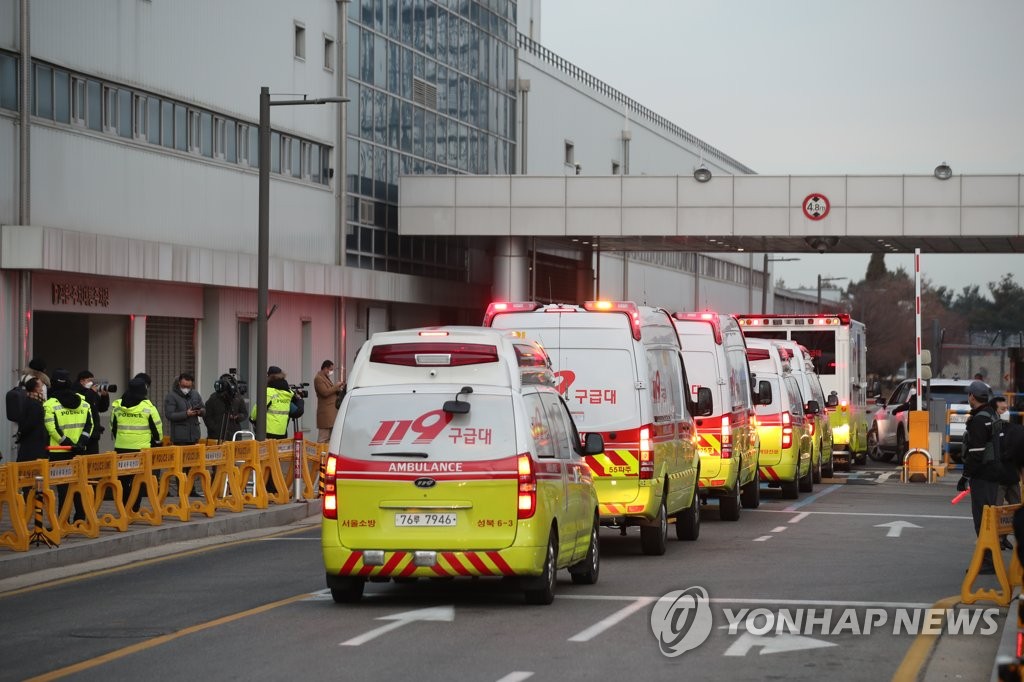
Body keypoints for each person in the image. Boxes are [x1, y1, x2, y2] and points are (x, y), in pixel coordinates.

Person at [957, 380, 1015, 573]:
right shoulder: (991, 413)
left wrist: (965, 476)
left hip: (982, 475)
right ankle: (989, 560)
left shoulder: (979, 420)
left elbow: (976, 453)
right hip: (994, 473)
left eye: (969, 395)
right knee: (989, 519)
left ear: (972, 397)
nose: (969, 398)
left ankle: (987, 562)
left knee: (982, 520)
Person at [42, 369, 93, 522]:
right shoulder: (83, 401)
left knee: (62, 488)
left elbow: (52, 428)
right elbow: (89, 425)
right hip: (79, 451)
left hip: (59, 451)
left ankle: (63, 521)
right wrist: (80, 443)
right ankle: (80, 519)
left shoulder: (50, 404)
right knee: (79, 484)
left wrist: (66, 443)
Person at [111, 377, 163, 511]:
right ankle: (134, 508)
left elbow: (113, 426)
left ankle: (123, 507)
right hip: (141, 450)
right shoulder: (148, 408)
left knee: (122, 480)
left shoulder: (118, 406)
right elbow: (157, 428)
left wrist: (121, 438)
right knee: (138, 480)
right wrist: (157, 442)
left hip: (121, 448)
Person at [164, 372, 205, 496]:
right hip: (180, 437)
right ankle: (182, 490)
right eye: (184, 386)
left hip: (193, 435)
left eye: (189, 386)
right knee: (180, 466)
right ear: (179, 383)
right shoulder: (172, 396)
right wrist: (186, 414)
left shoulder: (195, 394)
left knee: (192, 465)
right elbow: (170, 415)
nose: (186, 389)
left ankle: (191, 490)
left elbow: (204, 409)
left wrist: (200, 411)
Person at [250, 366, 302, 440]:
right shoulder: (288, 394)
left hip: (266, 434)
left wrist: (252, 419)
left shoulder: (268, 392)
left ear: (268, 377)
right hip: (282, 434)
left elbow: (255, 413)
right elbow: (298, 412)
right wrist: (300, 400)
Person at [204, 373, 249, 442]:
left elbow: (244, 413)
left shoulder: (238, 398)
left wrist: (237, 417)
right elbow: (207, 416)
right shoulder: (213, 399)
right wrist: (215, 428)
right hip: (217, 436)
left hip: (234, 435)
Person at [76, 370, 111, 454]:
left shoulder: (93, 393)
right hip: (82, 433)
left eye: (93, 381)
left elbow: (102, 408)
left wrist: (104, 396)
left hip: (94, 433)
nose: (92, 383)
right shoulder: (76, 393)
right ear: (82, 381)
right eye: (89, 380)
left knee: (93, 459)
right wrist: (91, 391)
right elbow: (85, 403)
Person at [15, 377, 48, 462]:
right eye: (41, 385)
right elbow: (31, 423)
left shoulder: (31, 400)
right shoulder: (34, 403)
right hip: (33, 443)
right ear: (35, 388)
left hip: (33, 441)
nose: (42, 388)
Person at [314, 360, 345, 443]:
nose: (331, 372)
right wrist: (336, 386)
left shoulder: (325, 378)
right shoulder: (318, 378)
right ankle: (320, 454)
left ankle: (326, 455)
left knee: (330, 439)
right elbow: (325, 392)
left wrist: (339, 389)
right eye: (330, 369)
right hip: (325, 413)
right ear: (325, 368)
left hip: (330, 413)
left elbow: (330, 391)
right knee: (323, 438)